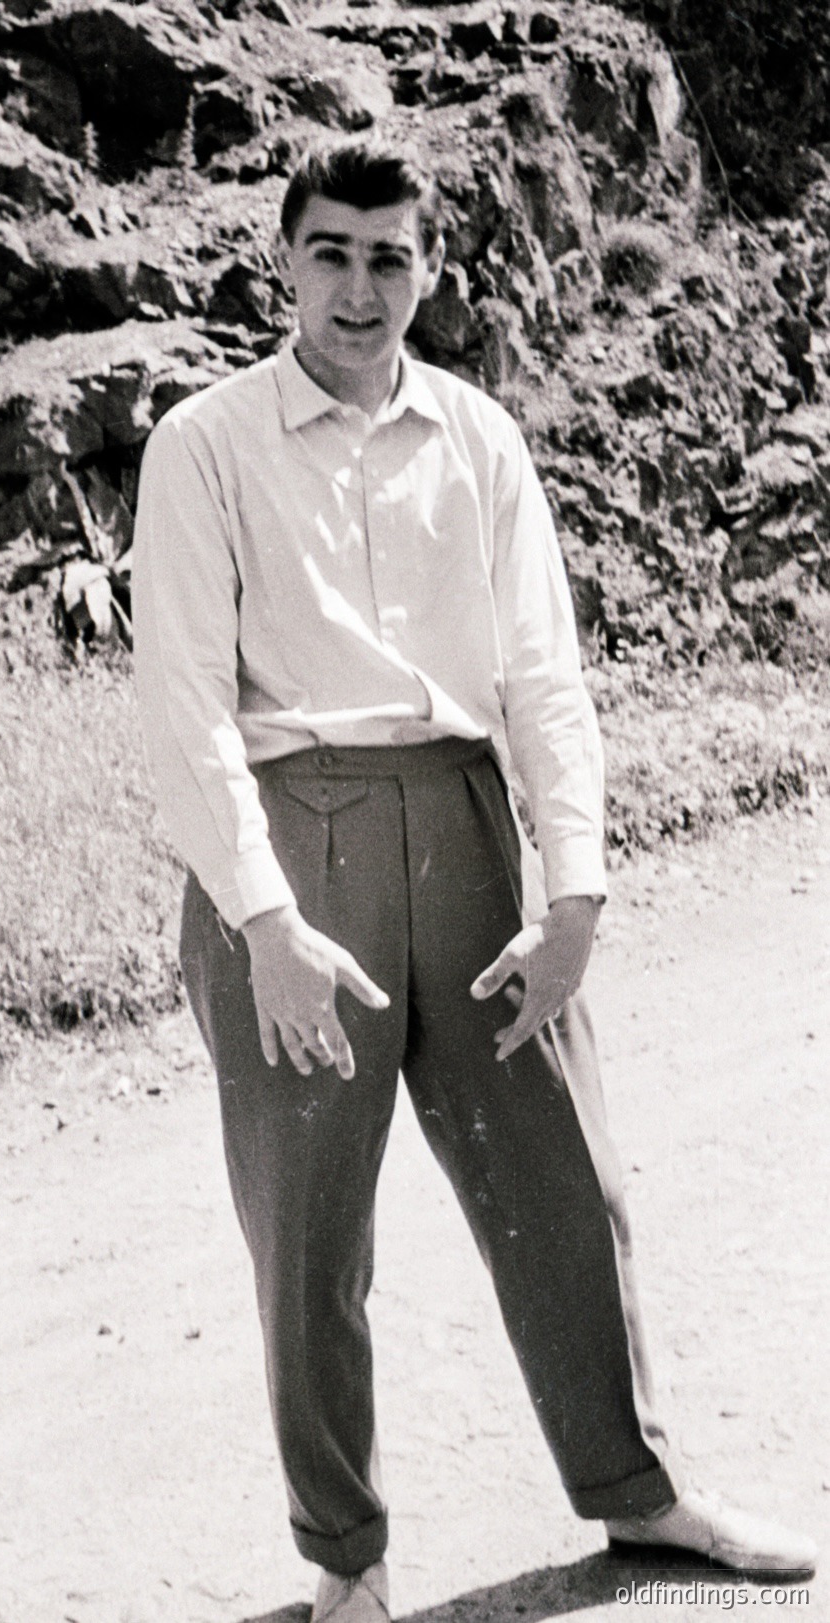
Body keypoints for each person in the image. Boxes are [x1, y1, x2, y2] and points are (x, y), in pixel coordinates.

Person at [132, 140, 816, 1621]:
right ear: (284, 264)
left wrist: (575, 894)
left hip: (466, 823)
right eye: (332, 252)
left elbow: (542, 678)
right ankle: (347, 1561)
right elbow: (183, 704)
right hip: (289, 837)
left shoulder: (478, 439)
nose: (360, 287)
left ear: (427, 270)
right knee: (312, 1226)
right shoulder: (206, 443)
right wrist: (263, 920)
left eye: (390, 257)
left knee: (570, 1177)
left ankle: (639, 1492)